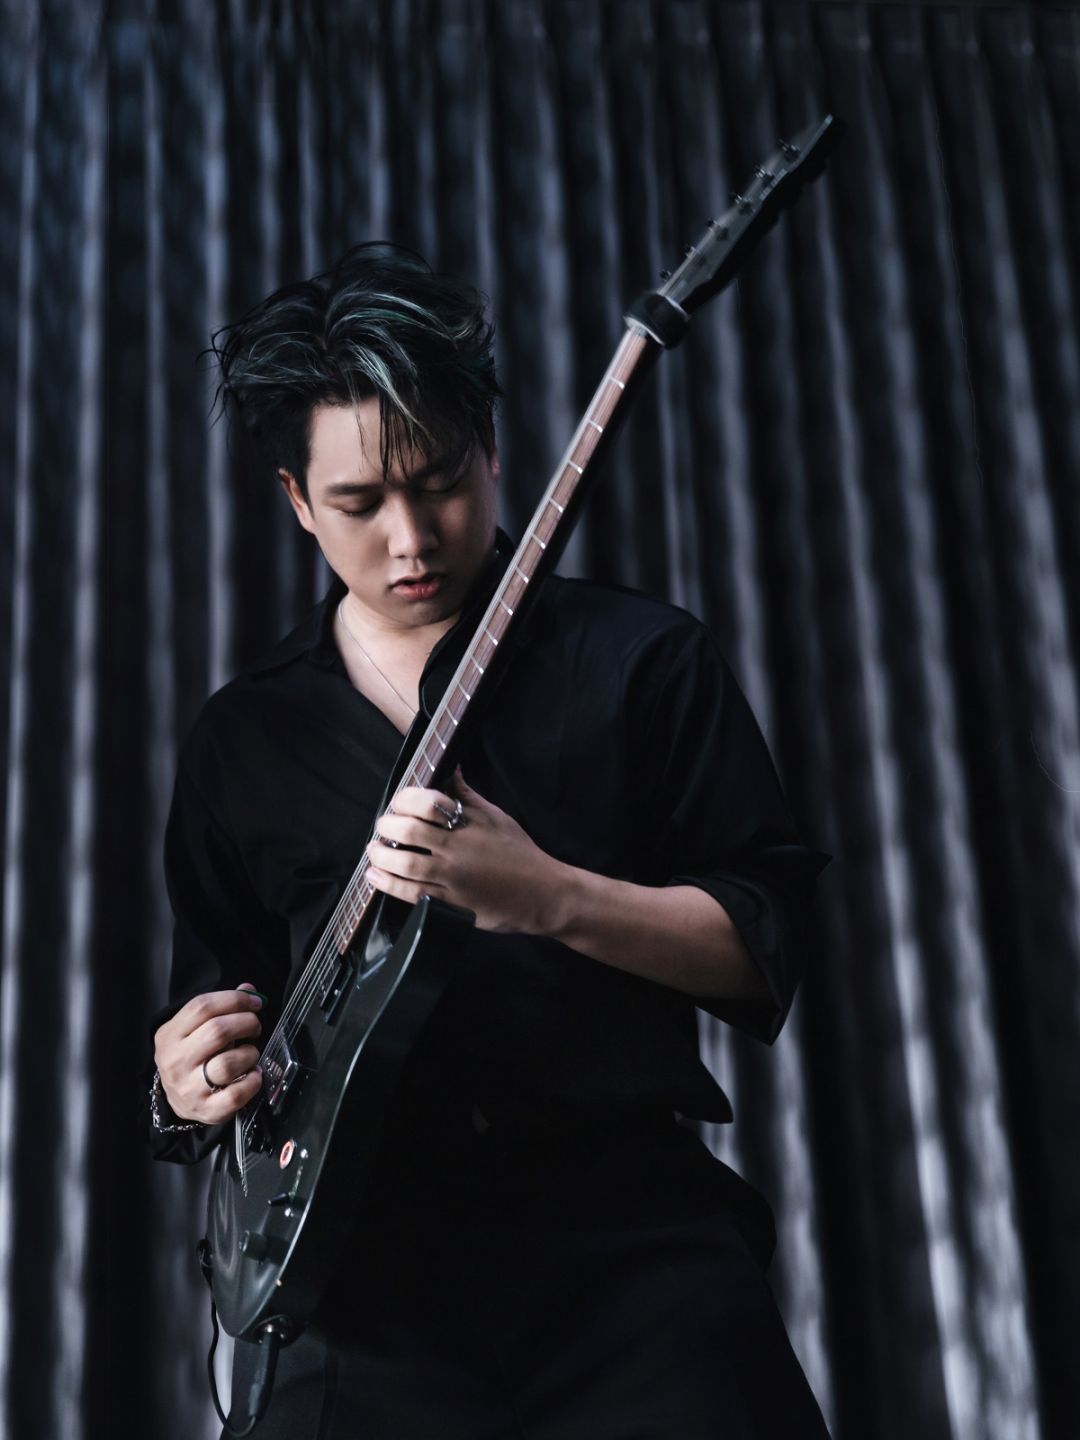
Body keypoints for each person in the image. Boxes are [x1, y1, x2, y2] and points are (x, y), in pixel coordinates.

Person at [146, 243, 832, 1439]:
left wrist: (550, 895)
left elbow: (763, 947)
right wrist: (184, 1082)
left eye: (441, 481)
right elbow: (221, 1005)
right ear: (297, 502)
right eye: (361, 503)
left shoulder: (641, 661)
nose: (412, 538)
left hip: (628, 1256)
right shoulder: (245, 738)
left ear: (495, 452)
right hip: (361, 1296)